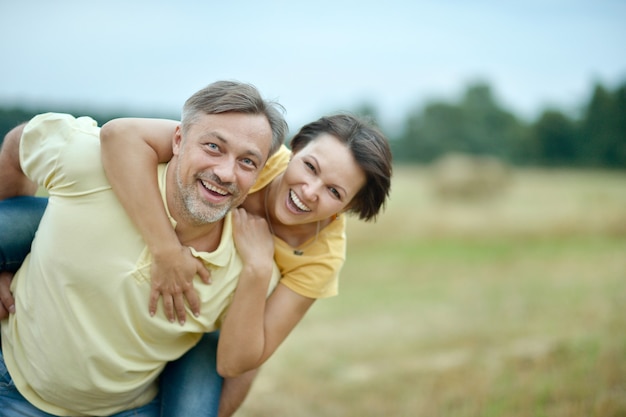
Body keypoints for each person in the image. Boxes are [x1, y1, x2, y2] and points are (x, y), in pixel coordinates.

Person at [0, 80, 288, 416]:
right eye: (212, 146)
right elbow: (17, 145)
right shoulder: (90, 164)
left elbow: (238, 361)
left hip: (130, 410)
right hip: (13, 389)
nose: (225, 173)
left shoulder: (246, 266)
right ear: (178, 140)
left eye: (247, 162)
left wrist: (258, 269)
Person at [96, 112, 394, 415]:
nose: (309, 191)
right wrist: (167, 251)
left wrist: (259, 267)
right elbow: (121, 136)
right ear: (297, 147)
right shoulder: (255, 153)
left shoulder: (322, 258)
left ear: (349, 206)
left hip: (225, 322)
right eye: (309, 166)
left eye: (334, 191)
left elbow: (237, 362)